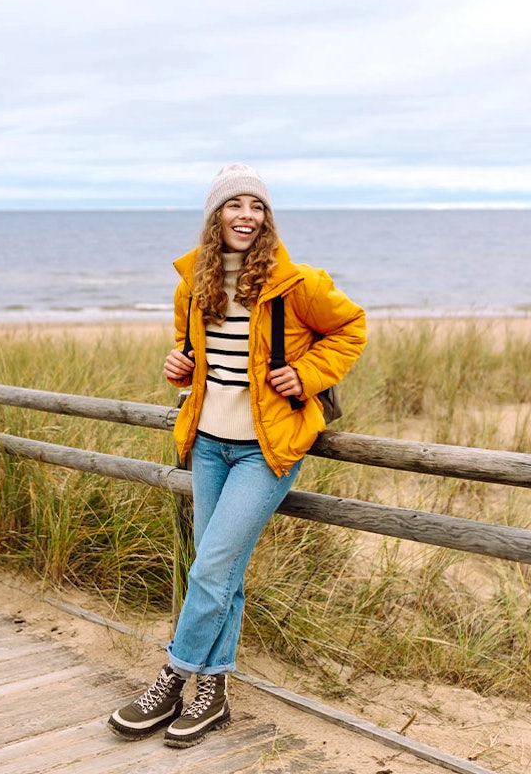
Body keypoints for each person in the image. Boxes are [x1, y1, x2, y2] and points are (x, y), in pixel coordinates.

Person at [107, 163, 367, 748]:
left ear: (267, 218)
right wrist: (179, 367)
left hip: (266, 448)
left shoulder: (295, 284)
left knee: (210, 568)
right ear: (215, 216)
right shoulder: (191, 287)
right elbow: (196, 359)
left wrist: (307, 373)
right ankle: (215, 693)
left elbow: (351, 327)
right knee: (223, 570)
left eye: (257, 206)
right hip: (207, 443)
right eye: (235, 204)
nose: (246, 215)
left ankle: (173, 678)